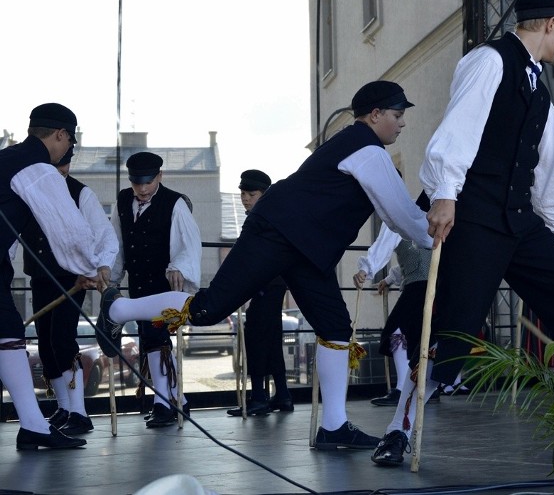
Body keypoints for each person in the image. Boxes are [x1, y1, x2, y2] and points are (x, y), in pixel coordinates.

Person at [96, 80, 432, 450]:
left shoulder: (356, 146)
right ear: (376, 115)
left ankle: (333, 426)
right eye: (397, 116)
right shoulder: (368, 150)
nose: (401, 124)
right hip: (277, 233)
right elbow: (401, 212)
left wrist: (415, 235)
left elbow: (393, 214)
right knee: (208, 308)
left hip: (304, 248)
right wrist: (437, 236)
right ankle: (119, 308)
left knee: (335, 327)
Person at [371, 0, 554, 467]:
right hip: (476, 219)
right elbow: (457, 130)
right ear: (549, 25)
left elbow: (548, 165)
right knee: (453, 334)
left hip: (519, 223)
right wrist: (444, 195)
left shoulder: (539, 86)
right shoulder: (490, 61)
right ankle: (400, 428)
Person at [0, 103, 106, 450]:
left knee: (8, 332)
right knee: (8, 332)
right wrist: (88, 269)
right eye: (68, 142)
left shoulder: (8, 158)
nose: (66, 151)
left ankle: (34, 426)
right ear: (61, 135)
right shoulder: (37, 166)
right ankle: (34, 427)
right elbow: (68, 227)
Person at [19, 146, 118, 436]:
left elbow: (104, 234)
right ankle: (63, 407)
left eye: (64, 166)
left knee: (62, 339)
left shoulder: (80, 193)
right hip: (40, 275)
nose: (61, 172)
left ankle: (80, 412)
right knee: (46, 342)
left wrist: (101, 267)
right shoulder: (31, 191)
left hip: (72, 279)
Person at [109, 151, 202, 428]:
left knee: (156, 337)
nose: (142, 188)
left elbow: (190, 243)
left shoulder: (175, 203)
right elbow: (116, 242)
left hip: (163, 286)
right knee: (149, 339)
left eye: (148, 182)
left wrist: (179, 269)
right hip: (138, 284)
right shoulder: (123, 201)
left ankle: (163, 403)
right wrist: (111, 279)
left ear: (160, 176)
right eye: (137, 183)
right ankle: (179, 400)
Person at [352, 194, 440, 407]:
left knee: (398, 332)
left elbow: (390, 248)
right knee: (417, 336)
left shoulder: (402, 220)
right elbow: (410, 262)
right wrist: (388, 278)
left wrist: (367, 269)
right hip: (427, 287)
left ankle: (404, 387)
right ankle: (424, 387)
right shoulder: (419, 224)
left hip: (424, 287)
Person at [226, 169, 293, 416]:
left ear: (263, 194)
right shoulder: (273, 215)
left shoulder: (263, 218)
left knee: (256, 339)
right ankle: (283, 395)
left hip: (266, 285)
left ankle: (259, 398)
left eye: (250, 194)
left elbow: (252, 256)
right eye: (243, 193)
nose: (245, 198)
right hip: (271, 285)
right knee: (272, 340)